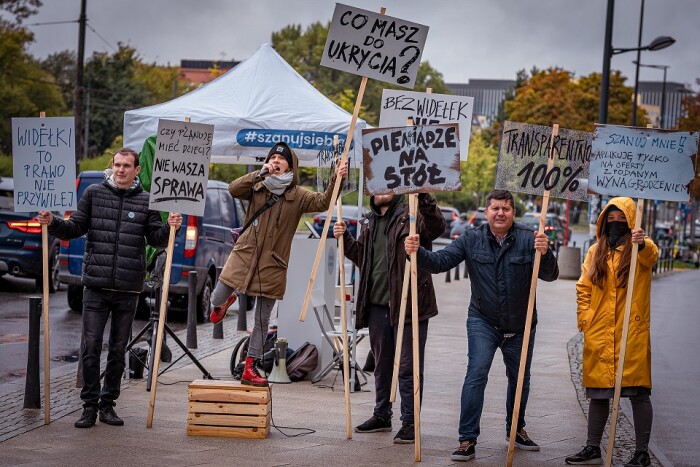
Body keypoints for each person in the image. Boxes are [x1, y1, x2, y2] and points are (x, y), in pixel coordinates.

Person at [404, 189, 558, 462]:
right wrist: (416, 252)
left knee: (520, 380)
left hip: (521, 324)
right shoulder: (471, 239)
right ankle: (466, 439)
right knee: (476, 374)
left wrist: (545, 254)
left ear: (513, 213)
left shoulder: (530, 239)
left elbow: (550, 275)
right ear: (486, 212)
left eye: (506, 209)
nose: (500, 213)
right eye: (495, 208)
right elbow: (441, 263)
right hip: (483, 321)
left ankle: (516, 429)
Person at [37, 148, 182, 428]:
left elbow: (156, 239)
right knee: (90, 347)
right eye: (117, 165)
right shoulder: (93, 193)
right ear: (112, 166)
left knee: (118, 349)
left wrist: (171, 227)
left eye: (127, 166)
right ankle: (89, 406)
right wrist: (52, 222)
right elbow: (75, 227)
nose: (121, 170)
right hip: (96, 285)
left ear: (137, 170)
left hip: (128, 287)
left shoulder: (145, 201)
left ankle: (108, 405)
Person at [209, 141, 347, 387]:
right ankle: (225, 302)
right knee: (216, 298)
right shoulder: (258, 185)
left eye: (280, 159)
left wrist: (337, 178)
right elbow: (233, 188)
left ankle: (250, 368)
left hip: (273, 264)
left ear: (290, 165)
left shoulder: (298, 196)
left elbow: (324, 201)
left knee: (262, 320)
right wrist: (258, 173)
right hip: (244, 254)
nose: (275, 160)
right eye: (272, 157)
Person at [333, 192, 445, 444]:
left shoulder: (411, 212)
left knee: (408, 367)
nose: (381, 190)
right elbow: (363, 258)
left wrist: (425, 195)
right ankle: (381, 414)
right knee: (382, 365)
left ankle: (410, 421)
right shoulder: (369, 221)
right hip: (376, 305)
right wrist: (344, 238)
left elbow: (436, 227)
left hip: (409, 303)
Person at [565, 197, 658, 467]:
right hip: (600, 331)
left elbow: (652, 255)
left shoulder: (640, 248)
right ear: (604, 220)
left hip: (632, 332)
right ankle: (592, 447)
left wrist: (642, 241)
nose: (616, 223)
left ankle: (641, 452)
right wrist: (586, 319)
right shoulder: (596, 251)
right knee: (598, 392)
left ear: (631, 223)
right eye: (612, 218)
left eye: (622, 219)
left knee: (639, 393)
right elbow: (584, 288)